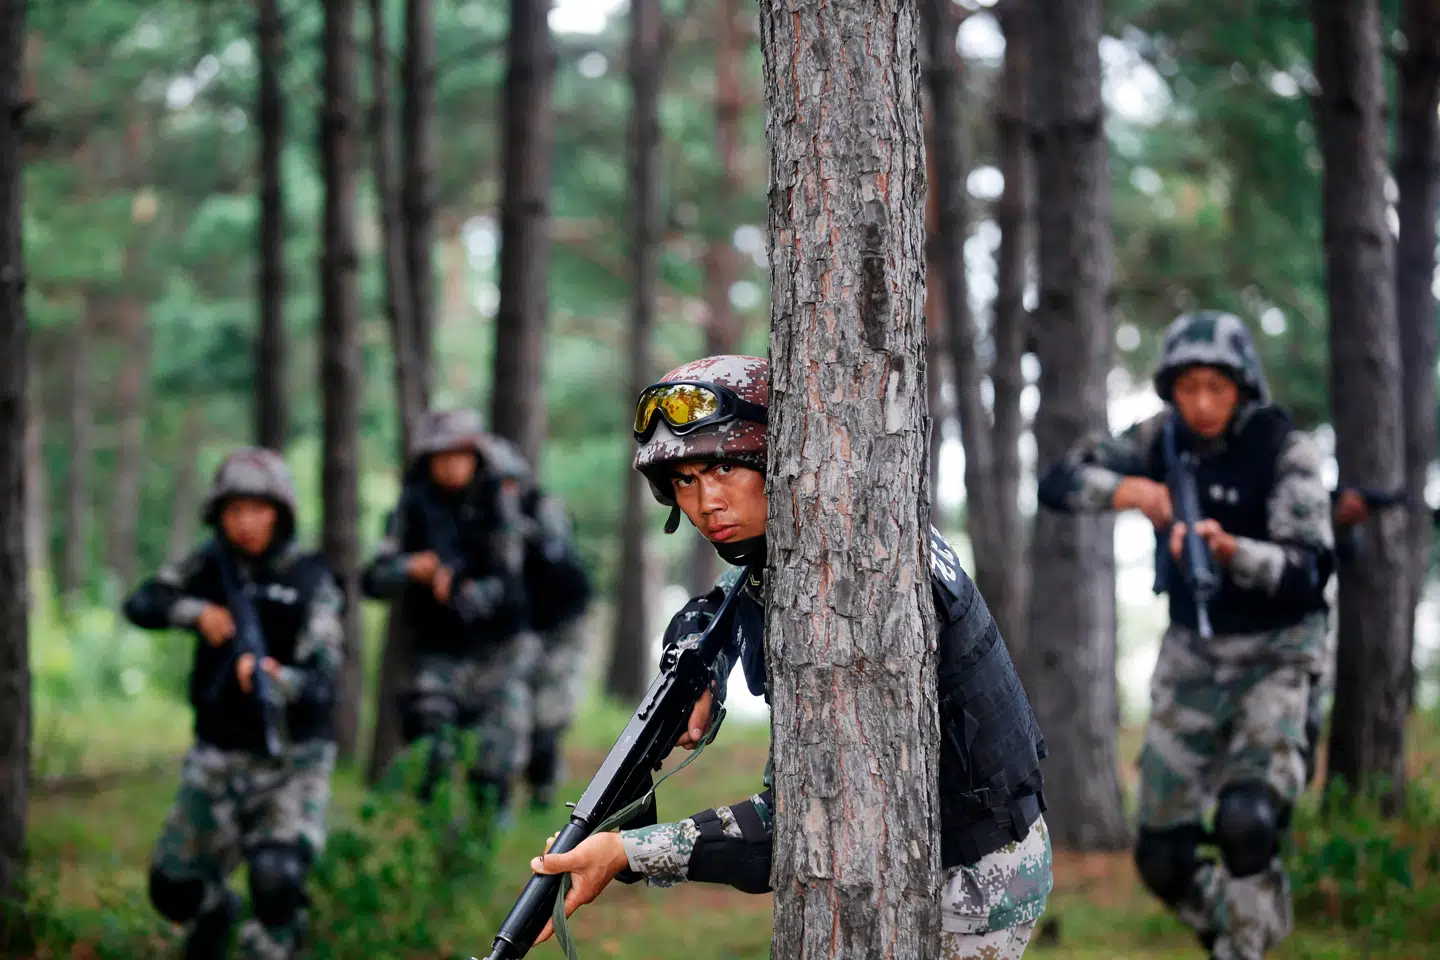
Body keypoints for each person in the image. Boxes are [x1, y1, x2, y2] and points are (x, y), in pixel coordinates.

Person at [523, 355, 1053, 960]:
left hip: (967, 889)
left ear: (778, 459)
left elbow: (805, 826)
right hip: (940, 855)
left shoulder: (855, 594)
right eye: (686, 481)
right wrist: (698, 666)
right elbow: (724, 599)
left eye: (723, 467)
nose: (705, 503)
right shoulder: (847, 529)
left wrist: (628, 851)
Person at [1036, 311, 1334, 960]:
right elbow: (1057, 483)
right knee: (1162, 854)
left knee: (1246, 822)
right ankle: (1240, 928)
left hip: (1277, 652)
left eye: (1217, 388)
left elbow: (1307, 573)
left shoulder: (1285, 450)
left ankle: (1245, 945)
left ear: (1244, 387)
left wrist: (1230, 551)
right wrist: (1133, 490)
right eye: (1188, 387)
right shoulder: (1158, 439)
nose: (1201, 403)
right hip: (1193, 650)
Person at [122, 447, 344, 960]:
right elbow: (142, 603)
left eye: (257, 509)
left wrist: (277, 679)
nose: (245, 522)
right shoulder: (209, 563)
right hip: (218, 752)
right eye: (234, 510)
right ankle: (218, 913)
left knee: (277, 879)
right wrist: (195, 611)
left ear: (280, 512)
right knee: (173, 890)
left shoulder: (311, 577)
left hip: (292, 758)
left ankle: (275, 942)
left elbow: (325, 676)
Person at [361, 408, 535, 818]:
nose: (451, 465)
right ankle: (428, 832)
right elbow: (372, 578)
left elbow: (510, 579)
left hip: (497, 649)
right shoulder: (413, 506)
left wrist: (460, 585)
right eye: (441, 456)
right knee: (428, 748)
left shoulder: (498, 500)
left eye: (460, 455)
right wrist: (411, 568)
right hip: (436, 651)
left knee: (495, 759)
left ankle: (490, 843)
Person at [482, 436, 594, 810]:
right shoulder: (481, 516)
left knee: (548, 714)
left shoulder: (542, 509)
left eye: (510, 482)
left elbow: (558, 560)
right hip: (524, 627)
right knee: (511, 712)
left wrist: (523, 533)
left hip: (562, 624)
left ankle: (542, 793)